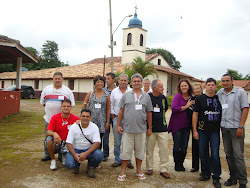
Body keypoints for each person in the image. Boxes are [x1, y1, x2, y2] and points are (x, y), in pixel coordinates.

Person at [116, 73, 153, 181]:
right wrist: (118, 125)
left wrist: (149, 128)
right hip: (127, 129)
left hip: (141, 130)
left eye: (138, 81)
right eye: (134, 81)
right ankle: (123, 172)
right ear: (131, 83)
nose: (136, 83)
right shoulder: (126, 95)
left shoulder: (146, 97)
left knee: (140, 151)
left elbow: (149, 113)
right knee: (125, 151)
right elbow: (121, 111)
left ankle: (139, 171)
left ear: (141, 83)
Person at [217, 74, 249, 188]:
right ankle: (233, 177)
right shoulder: (220, 93)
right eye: (223, 81)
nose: (225, 83)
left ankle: (243, 181)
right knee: (229, 155)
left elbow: (245, 108)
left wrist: (241, 126)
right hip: (224, 128)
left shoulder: (240, 93)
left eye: (227, 81)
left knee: (238, 155)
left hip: (236, 128)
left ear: (232, 81)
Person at [192, 78, 222, 188]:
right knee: (203, 153)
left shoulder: (219, 98)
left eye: (212, 85)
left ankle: (216, 176)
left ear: (215, 86)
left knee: (215, 154)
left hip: (214, 131)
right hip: (202, 130)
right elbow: (195, 114)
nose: (210, 87)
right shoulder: (200, 99)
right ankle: (205, 173)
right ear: (205, 86)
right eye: (208, 85)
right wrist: (195, 130)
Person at [40, 72, 75, 161]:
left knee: (63, 137)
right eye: (56, 78)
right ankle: (47, 154)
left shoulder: (67, 91)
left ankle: (61, 154)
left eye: (59, 78)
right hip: (49, 119)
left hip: (62, 120)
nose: (57, 80)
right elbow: (43, 103)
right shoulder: (46, 89)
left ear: (62, 79)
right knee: (48, 138)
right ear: (53, 79)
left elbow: (71, 104)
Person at [65, 108, 103, 178]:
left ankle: (91, 167)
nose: (85, 118)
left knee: (99, 154)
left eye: (87, 116)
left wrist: (86, 153)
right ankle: (76, 166)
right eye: (83, 116)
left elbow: (97, 143)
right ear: (80, 117)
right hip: (76, 150)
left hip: (88, 150)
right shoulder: (73, 127)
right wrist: (74, 154)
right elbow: (69, 143)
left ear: (90, 118)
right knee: (69, 164)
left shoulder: (94, 127)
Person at [146, 79, 170, 179]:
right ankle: (149, 167)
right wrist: (149, 127)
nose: (163, 89)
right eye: (161, 87)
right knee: (149, 149)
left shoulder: (163, 98)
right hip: (150, 128)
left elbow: (165, 109)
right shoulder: (147, 97)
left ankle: (164, 169)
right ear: (154, 88)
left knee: (164, 149)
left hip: (162, 128)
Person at [168, 79, 194, 172]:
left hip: (187, 125)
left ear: (188, 86)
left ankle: (181, 163)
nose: (184, 87)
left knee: (184, 146)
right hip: (177, 125)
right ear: (179, 87)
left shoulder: (191, 97)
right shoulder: (177, 96)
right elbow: (174, 108)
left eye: (185, 85)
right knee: (177, 145)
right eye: (182, 86)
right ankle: (177, 164)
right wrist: (186, 106)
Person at [46, 99, 79, 170]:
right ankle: (53, 160)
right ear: (61, 107)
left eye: (68, 106)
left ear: (71, 107)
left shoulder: (75, 118)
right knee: (49, 141)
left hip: (68, 143)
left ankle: (64, 156)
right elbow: (48, 132)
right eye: (64, 106)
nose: (66, 108)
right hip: (58, 142)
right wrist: (54, 134)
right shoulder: (55, 117)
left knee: (69, 164)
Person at [110, 74, 134, 169]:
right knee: (117, 141)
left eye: (125, 80)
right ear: (118, 81)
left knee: (128, 141)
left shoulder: (131, 91)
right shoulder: (114, 92)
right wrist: (113, 116)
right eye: (121, 80)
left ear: (128, 81)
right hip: (117, 119)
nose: (123, 82)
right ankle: (117, 160)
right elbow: (111, 104)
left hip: (129, 119)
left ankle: (128, 161)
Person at [82, 75, 111, 150]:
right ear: (94, 84)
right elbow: (84, 105)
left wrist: (107, 122)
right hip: (91, 120)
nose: (100, 83)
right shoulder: (90, 93)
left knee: (99, 139)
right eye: (97, 82)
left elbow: (108, 109)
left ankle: (97, 155)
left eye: (101, 82)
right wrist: (82, 117)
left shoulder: (107, 95)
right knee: (90, 137)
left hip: (102, 121)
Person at [186, 82, 203, 173]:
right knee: (195, 145)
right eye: (194, 88)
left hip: (203, 124)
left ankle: (205, 167)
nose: (196, 90)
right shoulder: (190, 99)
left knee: (204, 146)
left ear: (201, 89)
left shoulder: (204, 98)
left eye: (198, 88)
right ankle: (195, 166)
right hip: (193, 124)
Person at [103, 72, 116, 162]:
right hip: (105, 115)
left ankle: (118, 156)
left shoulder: (119, 90)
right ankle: (105, 154)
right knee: (105, 136)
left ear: (113, 80)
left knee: (117, 136)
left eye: (108, 79)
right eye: (106, 79)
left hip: (116, 116)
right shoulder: (103, 90)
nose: (106, 81)